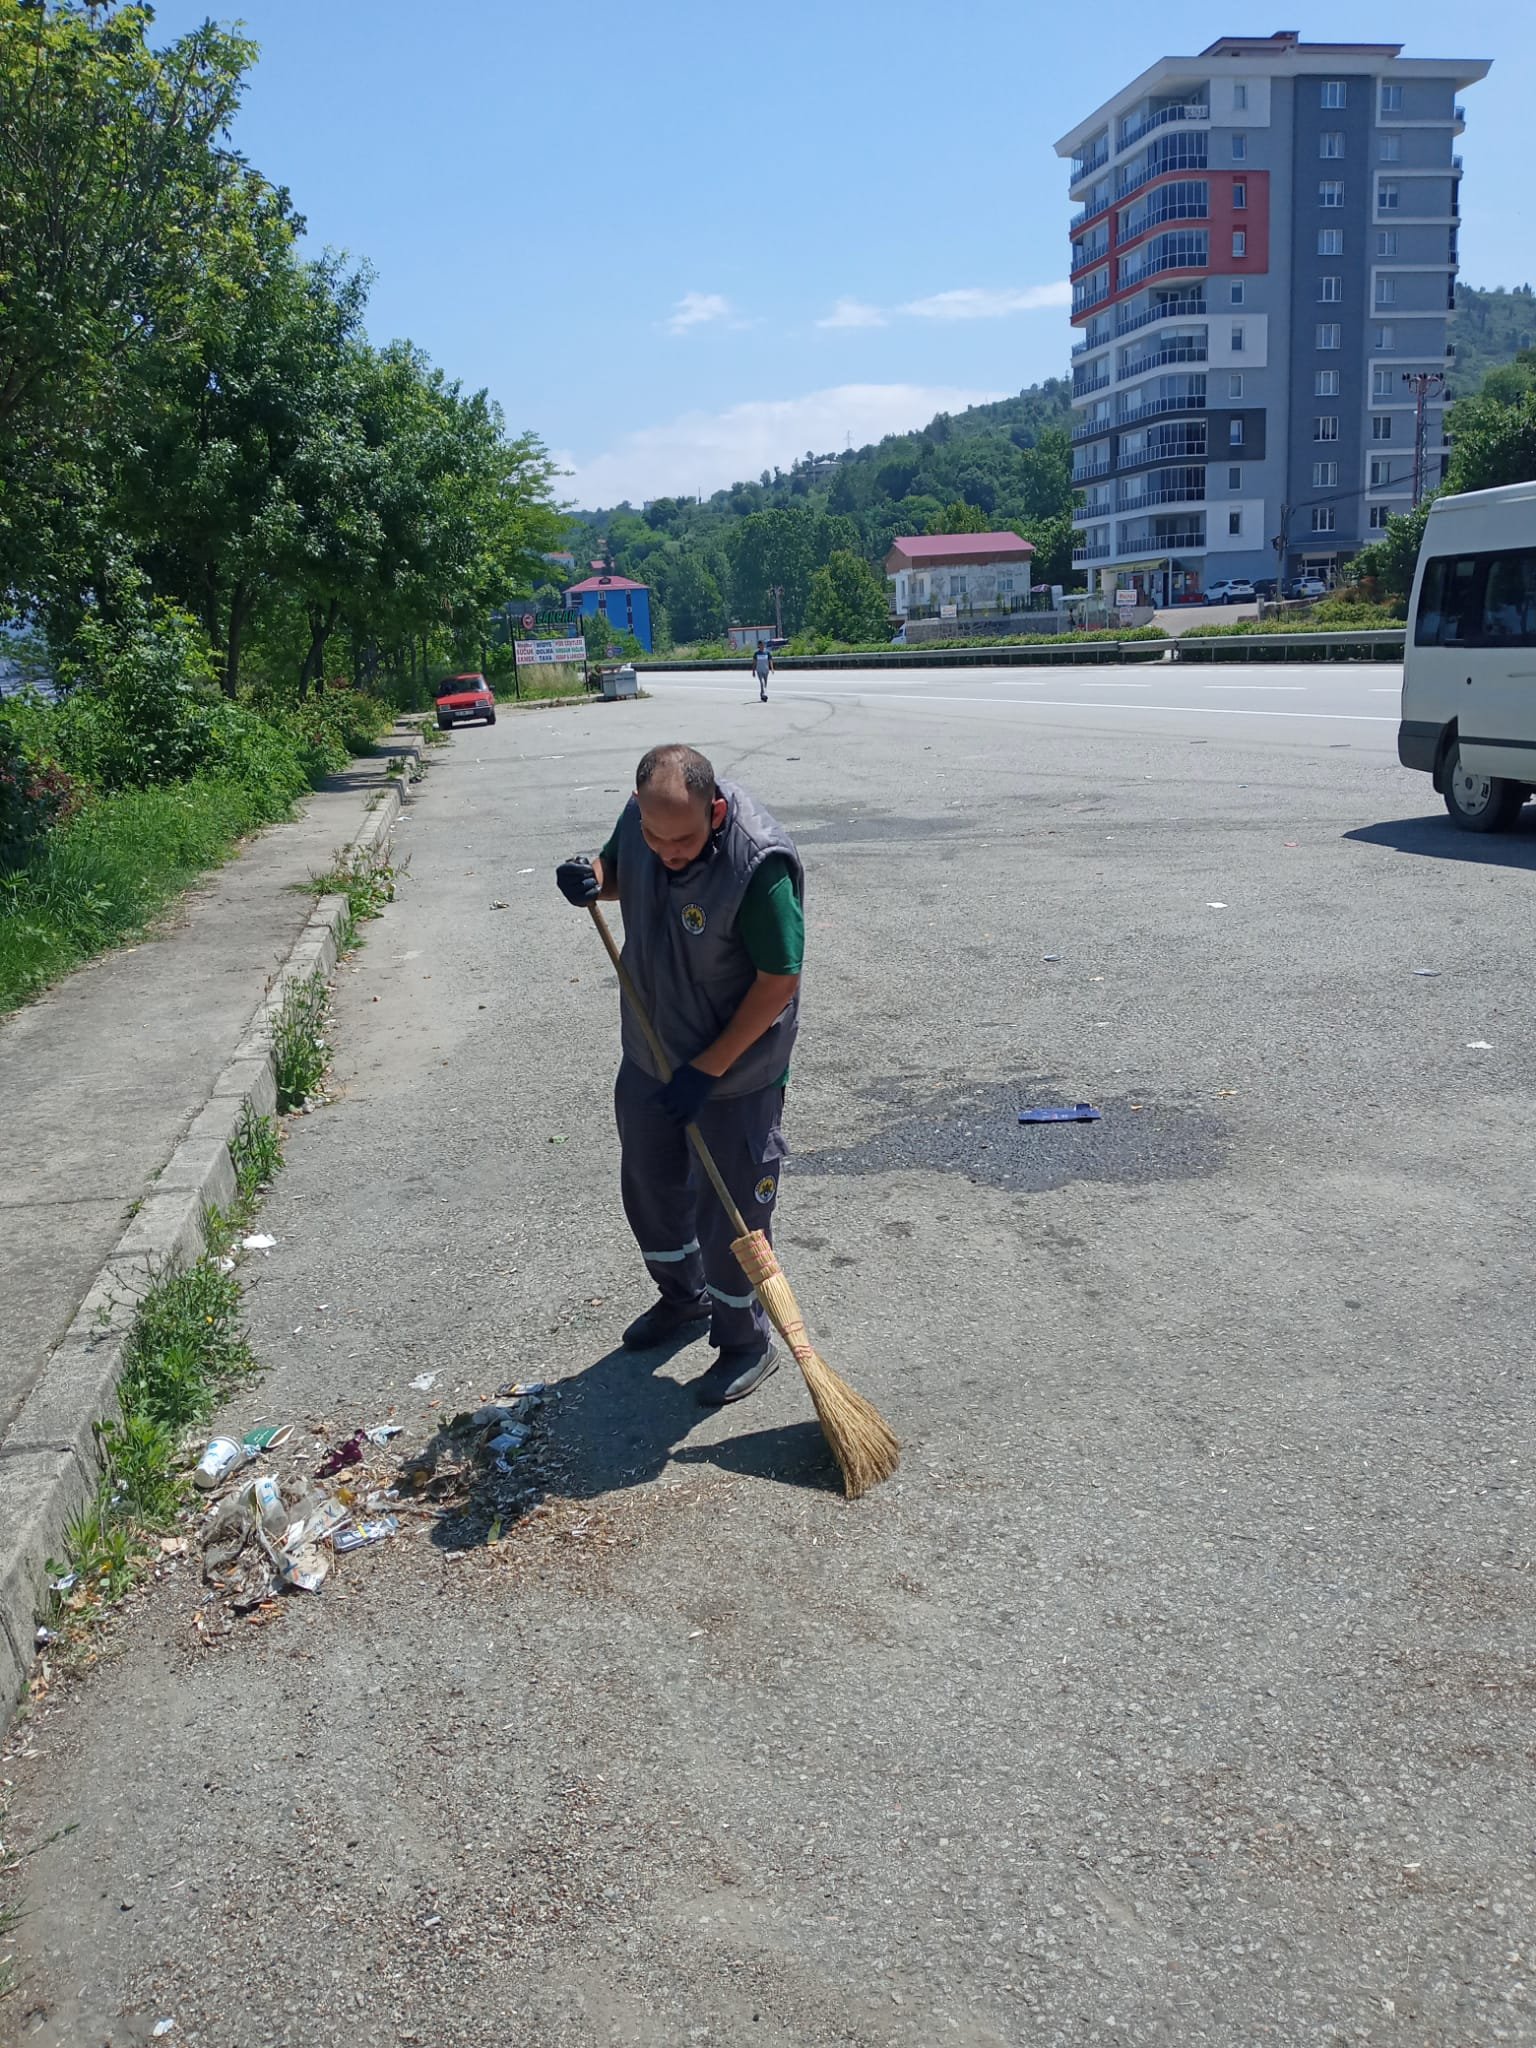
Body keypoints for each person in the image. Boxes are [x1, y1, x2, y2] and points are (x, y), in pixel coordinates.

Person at [556, 745, 804, 1405]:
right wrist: (592, 875)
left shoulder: (756, 864)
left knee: (732, 1214)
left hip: (735, 1071)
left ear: (715, 808)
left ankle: (747, 1342)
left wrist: (708, 1070)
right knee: (650, 1181)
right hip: (651, 1049)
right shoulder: (646, 825)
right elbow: (616, 871)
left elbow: (780, 980)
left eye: (685, 838)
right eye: (654, 835)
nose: (668, 850)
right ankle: (683, 1298)